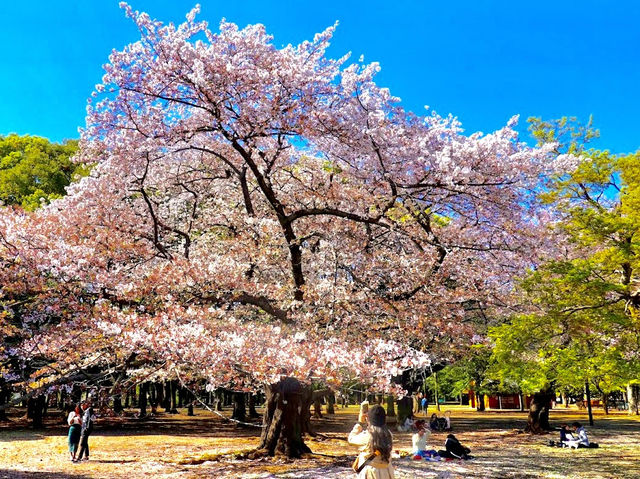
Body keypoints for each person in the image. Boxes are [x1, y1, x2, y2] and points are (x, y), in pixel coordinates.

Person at [348, 404, 395, 478]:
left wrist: (360, 423)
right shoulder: (389, 435)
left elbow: (351, 439)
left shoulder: (367, 436)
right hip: (387, 472)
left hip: (370, 473)